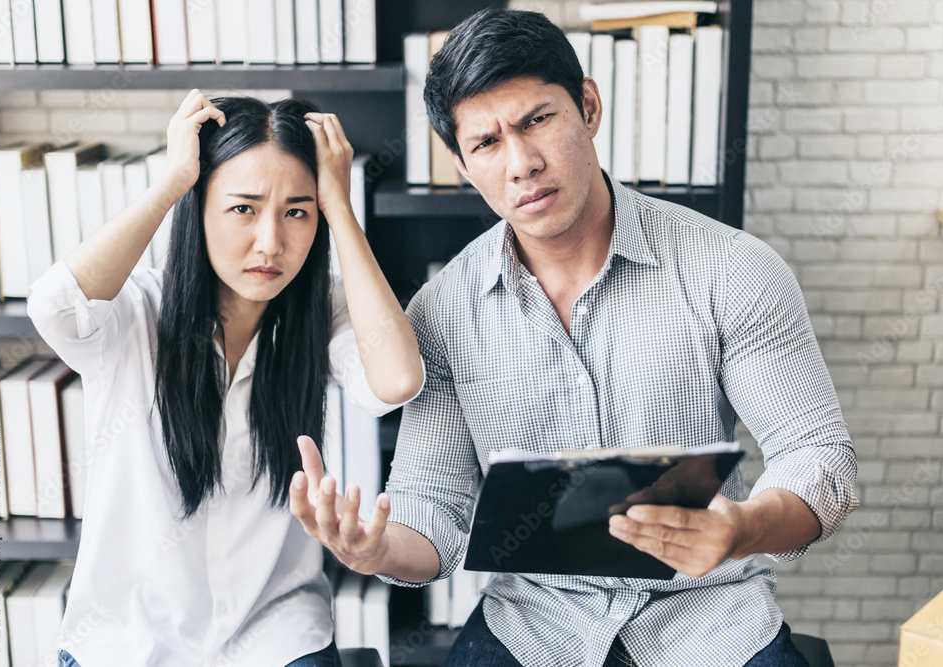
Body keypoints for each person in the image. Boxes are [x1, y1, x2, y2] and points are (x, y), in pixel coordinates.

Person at [290, 8, 858, 667]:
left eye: (537, 120)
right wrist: (374, 548)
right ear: (462, 164)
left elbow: (818, 453)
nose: (523, 163)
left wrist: (743, 527)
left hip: (711, 620)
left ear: (588, 105)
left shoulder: (730, 269)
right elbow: (435, 513)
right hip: (533, 625)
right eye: (487, 143)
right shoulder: (441, 313)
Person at [27, 90, 424, 667]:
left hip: (278, 634)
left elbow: (397, 381)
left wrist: (339, 205)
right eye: (243, 208)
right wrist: (172, 180)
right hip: (129, 644)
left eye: (297, 211)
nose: (271, 243)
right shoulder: (136, 312)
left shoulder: (324, 312)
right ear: (200, 205)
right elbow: (55, 309)